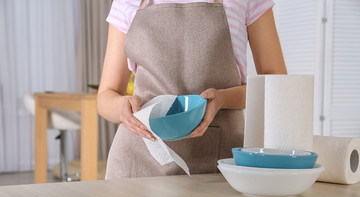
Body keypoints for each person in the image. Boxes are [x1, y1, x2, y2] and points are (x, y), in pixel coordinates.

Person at [97, 0, 287, 179]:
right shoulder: (126, 2)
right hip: (137, 161)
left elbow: (276, 87)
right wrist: (122, 108)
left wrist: (224, 98)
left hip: (217, 161)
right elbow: (106, 96)